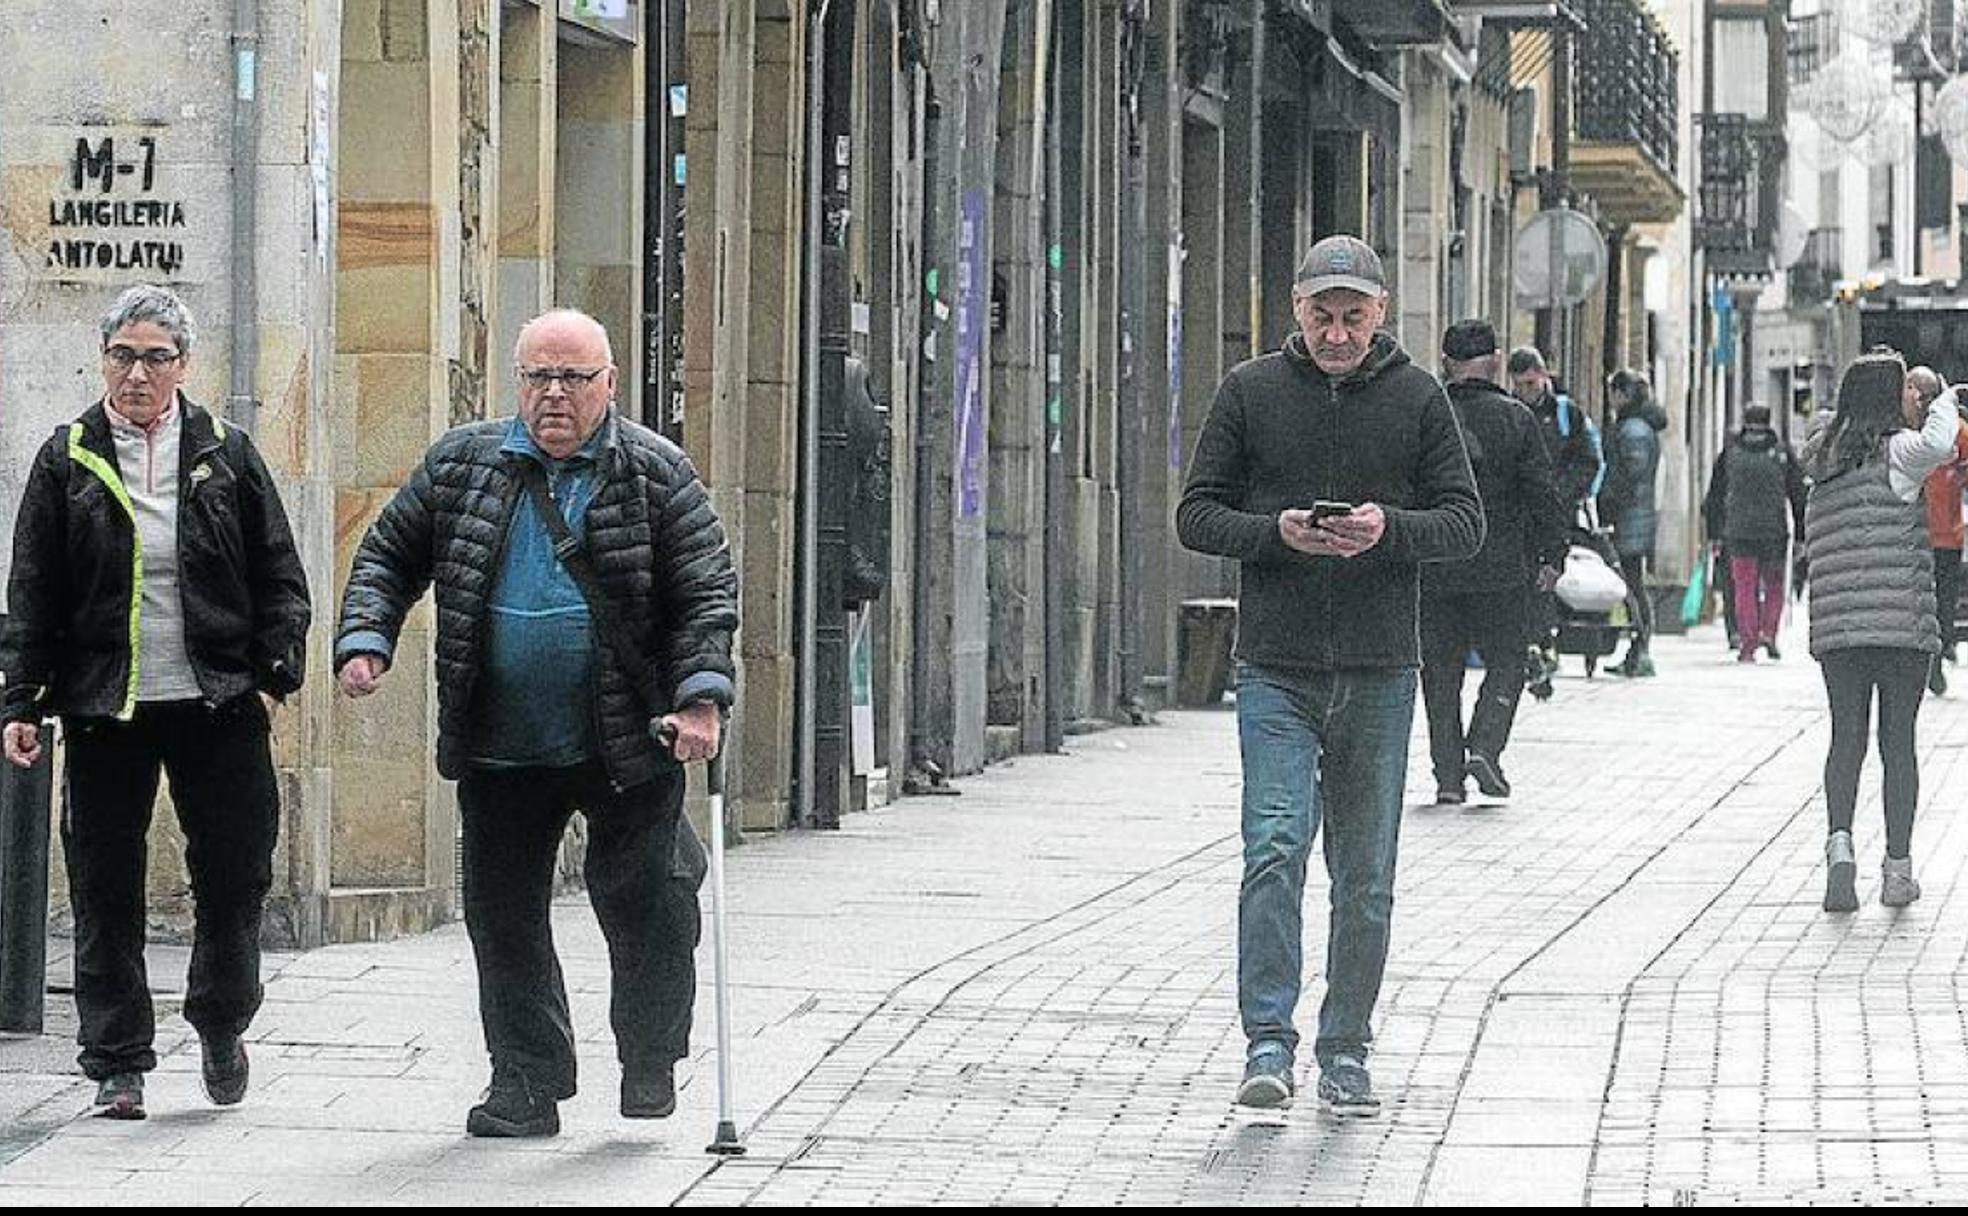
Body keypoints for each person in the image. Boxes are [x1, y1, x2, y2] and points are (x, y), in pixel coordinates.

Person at [335, 309, 738, 1137]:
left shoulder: (657, 473)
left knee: (652, 904)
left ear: (609, 384)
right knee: (503, 917)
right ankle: (526, 1081)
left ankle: (649, 1060)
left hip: (625, 738)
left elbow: (705, 592)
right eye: (538, 377)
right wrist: (367, 637)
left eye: (574, 378)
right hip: (500, 742)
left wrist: (700, 697)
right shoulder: (461, 464)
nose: (554, 394)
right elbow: (387, 555)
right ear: (516, 381)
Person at [1176, 235, 1482, 1117]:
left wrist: (1390, 529)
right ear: (1297, 312)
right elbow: (1197, 513)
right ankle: (1267, 1041)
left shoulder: (1420, 399)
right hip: (1275, 666)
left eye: (1353, 316)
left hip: (1381, 667)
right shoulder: (1250, 391)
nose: (1337, 334)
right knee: (1273, 847)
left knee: (1366, 872)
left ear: (1380, 313)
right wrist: (1276, 533)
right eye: (1322, 316)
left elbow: (1465, 521)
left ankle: (1346, 1047)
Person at [1, 285, 312, 1121]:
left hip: (218, 702)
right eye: (123, 356)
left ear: (183, 364)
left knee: (235, 876)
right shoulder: (67, 457)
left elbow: (280, 575)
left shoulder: (226, 453)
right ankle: (117, 1063)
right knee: (105, 885)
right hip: (108, 706)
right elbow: (33, 589)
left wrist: (273, 675)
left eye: (155, 358)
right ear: (103, 360)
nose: (137, 374)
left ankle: (220, 1021)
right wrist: (21, 701)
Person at [1802, 352, 1958, 913]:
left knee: (1846, 738)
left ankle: (1840, 847)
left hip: (1840, 632)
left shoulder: (1823, 454)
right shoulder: (1901, 454)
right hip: (1899, 630)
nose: (1912, 398)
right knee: (1898, 743)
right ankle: (1897, 870)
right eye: (1905, 390)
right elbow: (1942, 442)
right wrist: (1943, 397)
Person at [1420, 320, 1567, 805]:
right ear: (1497, 361)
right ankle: (1484, 745)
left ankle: (1447, 777)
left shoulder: (1426, 414)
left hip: (1436, 564)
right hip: (1501, 567)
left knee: (1440, 673)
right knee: (1507, 661)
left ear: (1446, 362)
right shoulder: (1517, 419)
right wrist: (1553, 554)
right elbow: (1543, 492)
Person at [1508, 346, 1604, 695]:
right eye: (1519, 385)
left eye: (1531, 384)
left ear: (1543, 376)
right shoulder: (1509, 411)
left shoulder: (1566, 414)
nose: (1525, 392)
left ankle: (1543, 642)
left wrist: (1561, 493)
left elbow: (1589, 461)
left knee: (1548, 576)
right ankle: (1532, 643)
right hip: (1519, 514)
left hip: (1556, 514)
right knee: (1525, 580)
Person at [1701, 403, 1807, 663]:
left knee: (1744, 587)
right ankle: (1769, 632)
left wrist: (1714, 533)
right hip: (1774, 532)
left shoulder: (1730, 453)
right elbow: (1798, 496)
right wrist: (1801, 535)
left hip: (1738, 532)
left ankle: (1747, 643)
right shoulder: (1782, 453)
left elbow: (1715, 496)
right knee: (1774, 585)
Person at [1598, 369, 1668, 676]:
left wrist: (1609, 503)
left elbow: (1629, 474)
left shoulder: (1634, 430)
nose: (1610, 400)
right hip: (1633, 517)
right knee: (1631, 582)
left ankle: (1640, 649)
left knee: (1632, 584)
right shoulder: (1634, 427)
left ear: (1623, 394)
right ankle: (1636, 650)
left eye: (1613, 393)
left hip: (1630, 519)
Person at [1906, 366, 1968, 695]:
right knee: (1923, 602)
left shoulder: (1958, 432)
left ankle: (1936, 657)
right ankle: (1926, 658)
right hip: (1916, 534)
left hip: (1944, 534)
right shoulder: (1905, 432)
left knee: (1941, 602)